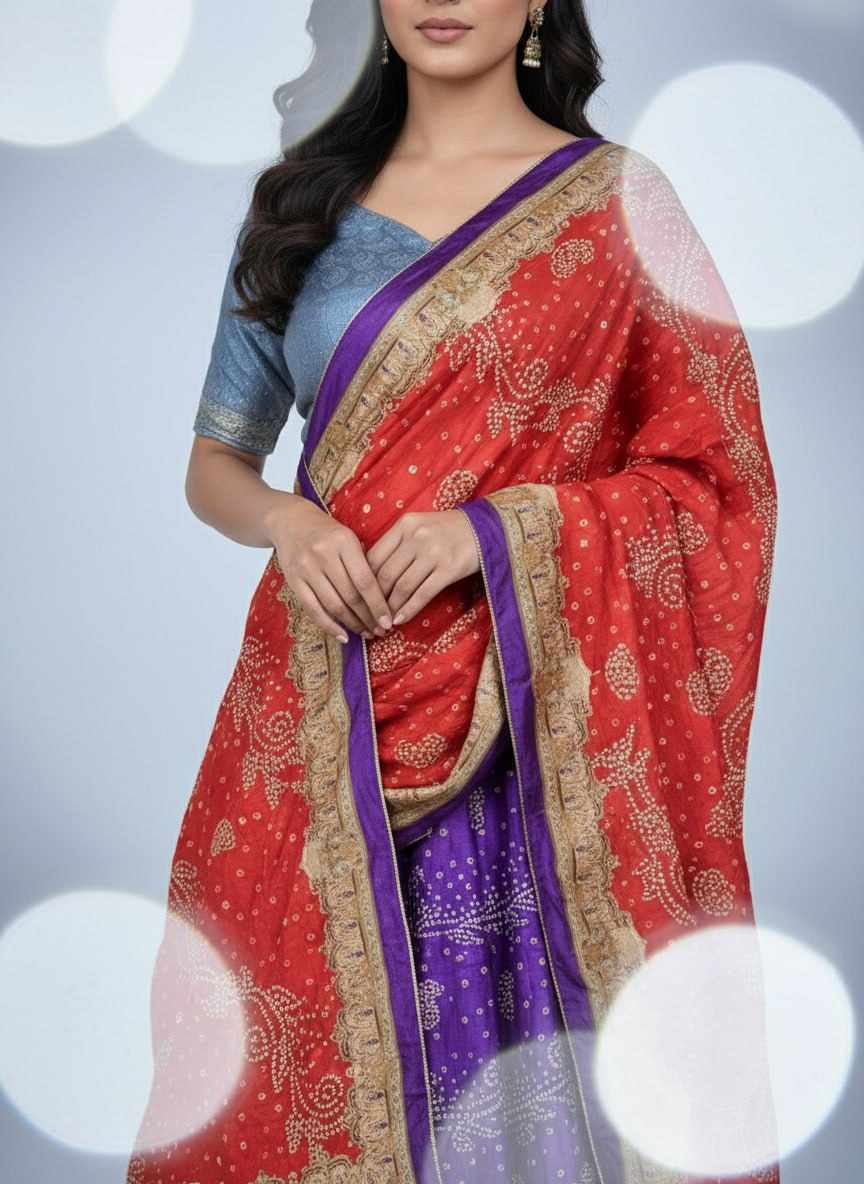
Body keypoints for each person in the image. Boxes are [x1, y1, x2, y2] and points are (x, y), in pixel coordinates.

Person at [126, 3, 781, 1183]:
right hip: (323, 707)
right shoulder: (301, 205)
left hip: (532, 739)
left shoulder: (619, 207)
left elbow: (713, 479)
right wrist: (288, 519)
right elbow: (215, 465)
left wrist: (500, 530)